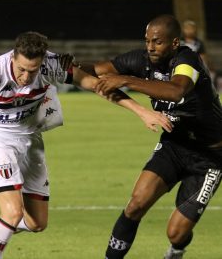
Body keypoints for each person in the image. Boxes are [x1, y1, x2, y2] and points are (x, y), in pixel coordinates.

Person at [0, 31, 172, 259]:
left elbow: (96, 85)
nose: (25, 76)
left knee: (36, 223)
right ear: (13, 57)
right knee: (12, 212)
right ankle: (0, 234)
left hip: (30, 139)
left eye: (31, 71)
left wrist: (140, 111)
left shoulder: (51, 66)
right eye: (21, 68)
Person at [92, 14, 222, 259]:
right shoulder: (140, 60)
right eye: (148, 41)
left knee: (175, 232)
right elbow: (95, 70)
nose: (150, 47)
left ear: (174, 43)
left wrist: (127, 80)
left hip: (210, 157)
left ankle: (177, 249)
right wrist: (63, 68)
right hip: (175, 144)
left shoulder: (187, 60)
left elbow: (176, 90)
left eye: (157, 42)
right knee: (136, 204)